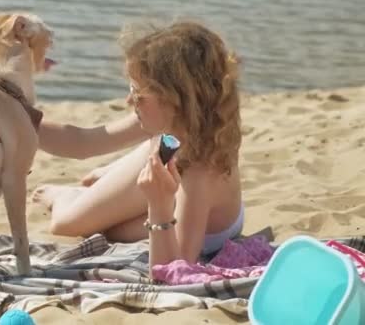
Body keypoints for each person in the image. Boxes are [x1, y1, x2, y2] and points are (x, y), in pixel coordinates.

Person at [33, 20, 243, 271]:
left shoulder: (199, 174)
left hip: (186, 209)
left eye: (138, 93)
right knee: (81, 207)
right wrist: (20, 116)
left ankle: (66, 195)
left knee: (74, 225)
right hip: (169, 173)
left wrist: (158, 204)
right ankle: (102, 183)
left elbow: (174, 269)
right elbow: (82, 142)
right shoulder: (179, 120)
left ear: (173, 100)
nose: (128, 100)